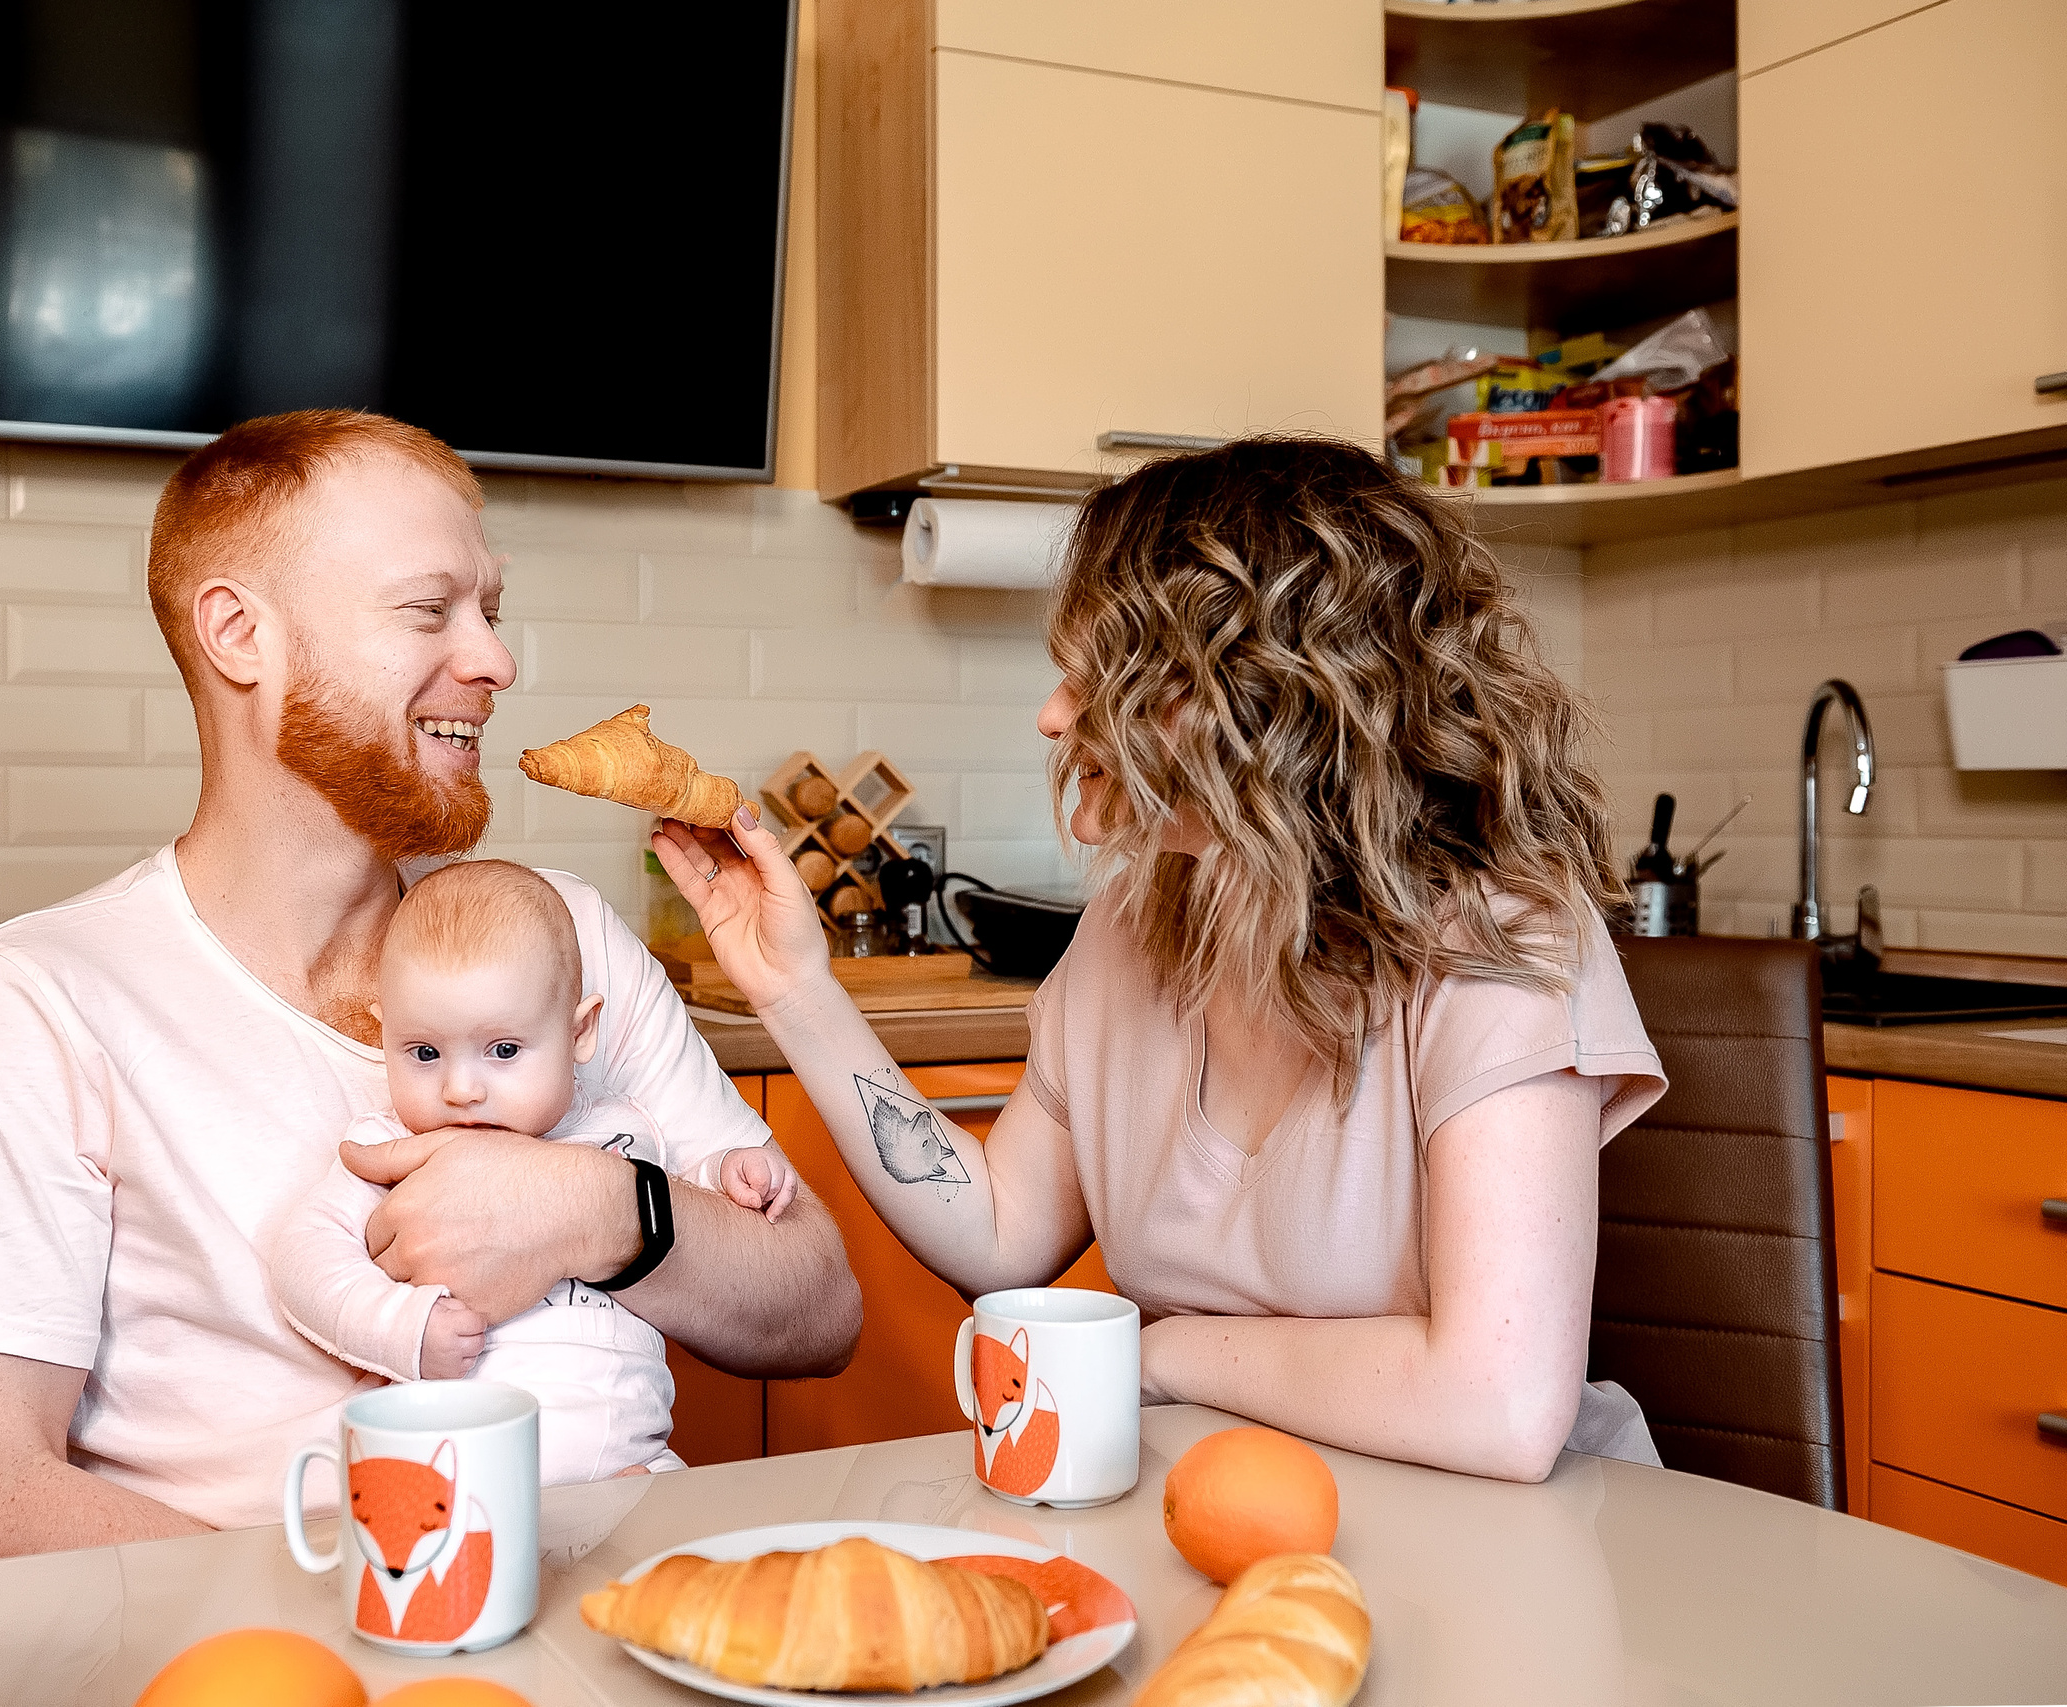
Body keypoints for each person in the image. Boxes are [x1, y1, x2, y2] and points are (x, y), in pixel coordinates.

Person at [0, 410, 859, 1556]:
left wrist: (602, 1211)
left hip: (627, 1614)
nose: (495, 661)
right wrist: (366, 1613)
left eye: (490, 611)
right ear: (240, 635)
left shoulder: (562, 941)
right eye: (428, 608)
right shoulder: (44, 999)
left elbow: (819, 1308)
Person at [657, 437, 1666, 1483]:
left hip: (1499, 1548)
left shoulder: (1500, 936)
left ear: (1265, 692)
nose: (1054, 715)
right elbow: (998, 1234)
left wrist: (1167, 1353)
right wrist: (794, 989)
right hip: (1215, 1504)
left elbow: (1495, 1406)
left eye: (1102, 676)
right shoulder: (1138, 920)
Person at [270, 859, 796, 1485]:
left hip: (636, 1467)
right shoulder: (386, 1149)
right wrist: (402, 1331)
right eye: (424, 1053)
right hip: (466, 1484)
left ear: (580, 1031)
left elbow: (684, 1204)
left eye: (504, 1051)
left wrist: (732, 1172)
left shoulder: (624, 1130)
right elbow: (303, 1260)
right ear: (385, 1033)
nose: (461, 1088)